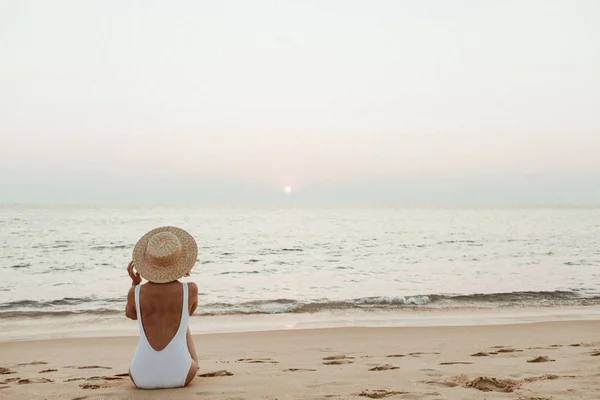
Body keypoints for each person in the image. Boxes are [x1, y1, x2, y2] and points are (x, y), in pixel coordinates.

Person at [125, 226, 199, 389]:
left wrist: (135, 285)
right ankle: (183, 362)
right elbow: (188, 313)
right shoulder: (190, 289)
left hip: (140, 377)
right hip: (182, 374)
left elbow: (131, 315)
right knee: (183, 324)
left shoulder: (136, 292)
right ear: (180, 262)